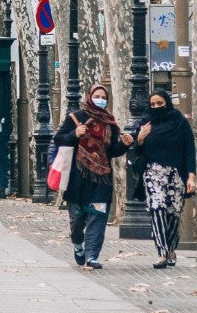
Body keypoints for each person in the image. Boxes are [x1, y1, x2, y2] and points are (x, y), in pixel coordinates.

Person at [52, 83, 134, 270]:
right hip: (76, 181)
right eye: (97, 96)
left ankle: (92, 256)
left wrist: (124, 144)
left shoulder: (110, 123)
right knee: (77, 221)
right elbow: (59, 140)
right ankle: (78, 244)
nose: (101, 100)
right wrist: (75, 133)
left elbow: (112, 151)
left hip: (101, 181)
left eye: (104, 97)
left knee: (97, 218)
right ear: (89, 96)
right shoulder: (76, 118)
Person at [131, 90, 196, 268]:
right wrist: (140, 138)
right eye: (153, 104)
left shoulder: (180, 122)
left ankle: (171, 248)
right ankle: (162, 252)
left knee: (173, 213)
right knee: (157, 209)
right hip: (153, 173)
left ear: (167, 102)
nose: (156, 107)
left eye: (160, 103)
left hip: (176, 174)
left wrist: (191, 176)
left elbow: (189, 150)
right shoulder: (146, 122)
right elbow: (137, 151)